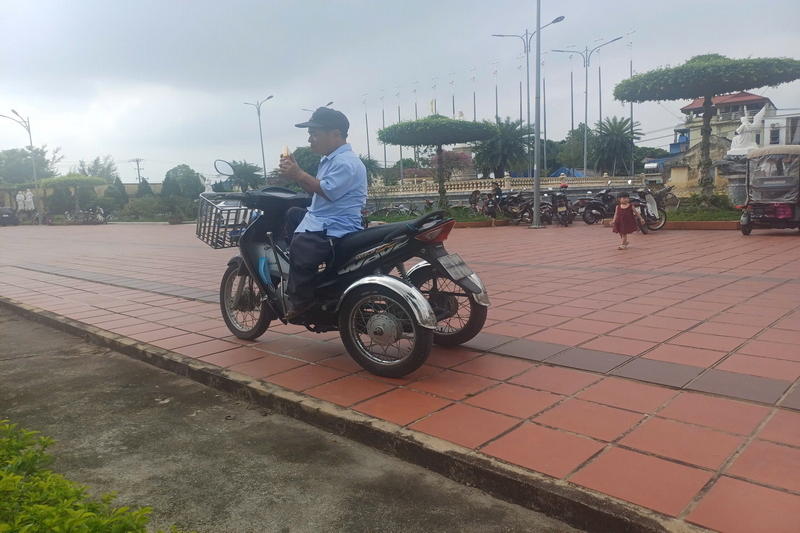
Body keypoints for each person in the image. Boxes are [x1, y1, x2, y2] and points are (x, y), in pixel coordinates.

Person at [278, 107, 367, 323]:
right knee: (293, 214)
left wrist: (299, 173)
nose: (310, 140)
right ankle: (307, 272)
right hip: (324, 218)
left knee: (300, 244)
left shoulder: (344, 162)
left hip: (335, 224)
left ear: (335, 134)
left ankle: (302, 303)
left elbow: (328, 191)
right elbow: (316, 191)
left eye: (314, 134)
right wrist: (298, 174)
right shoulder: (330, 159)